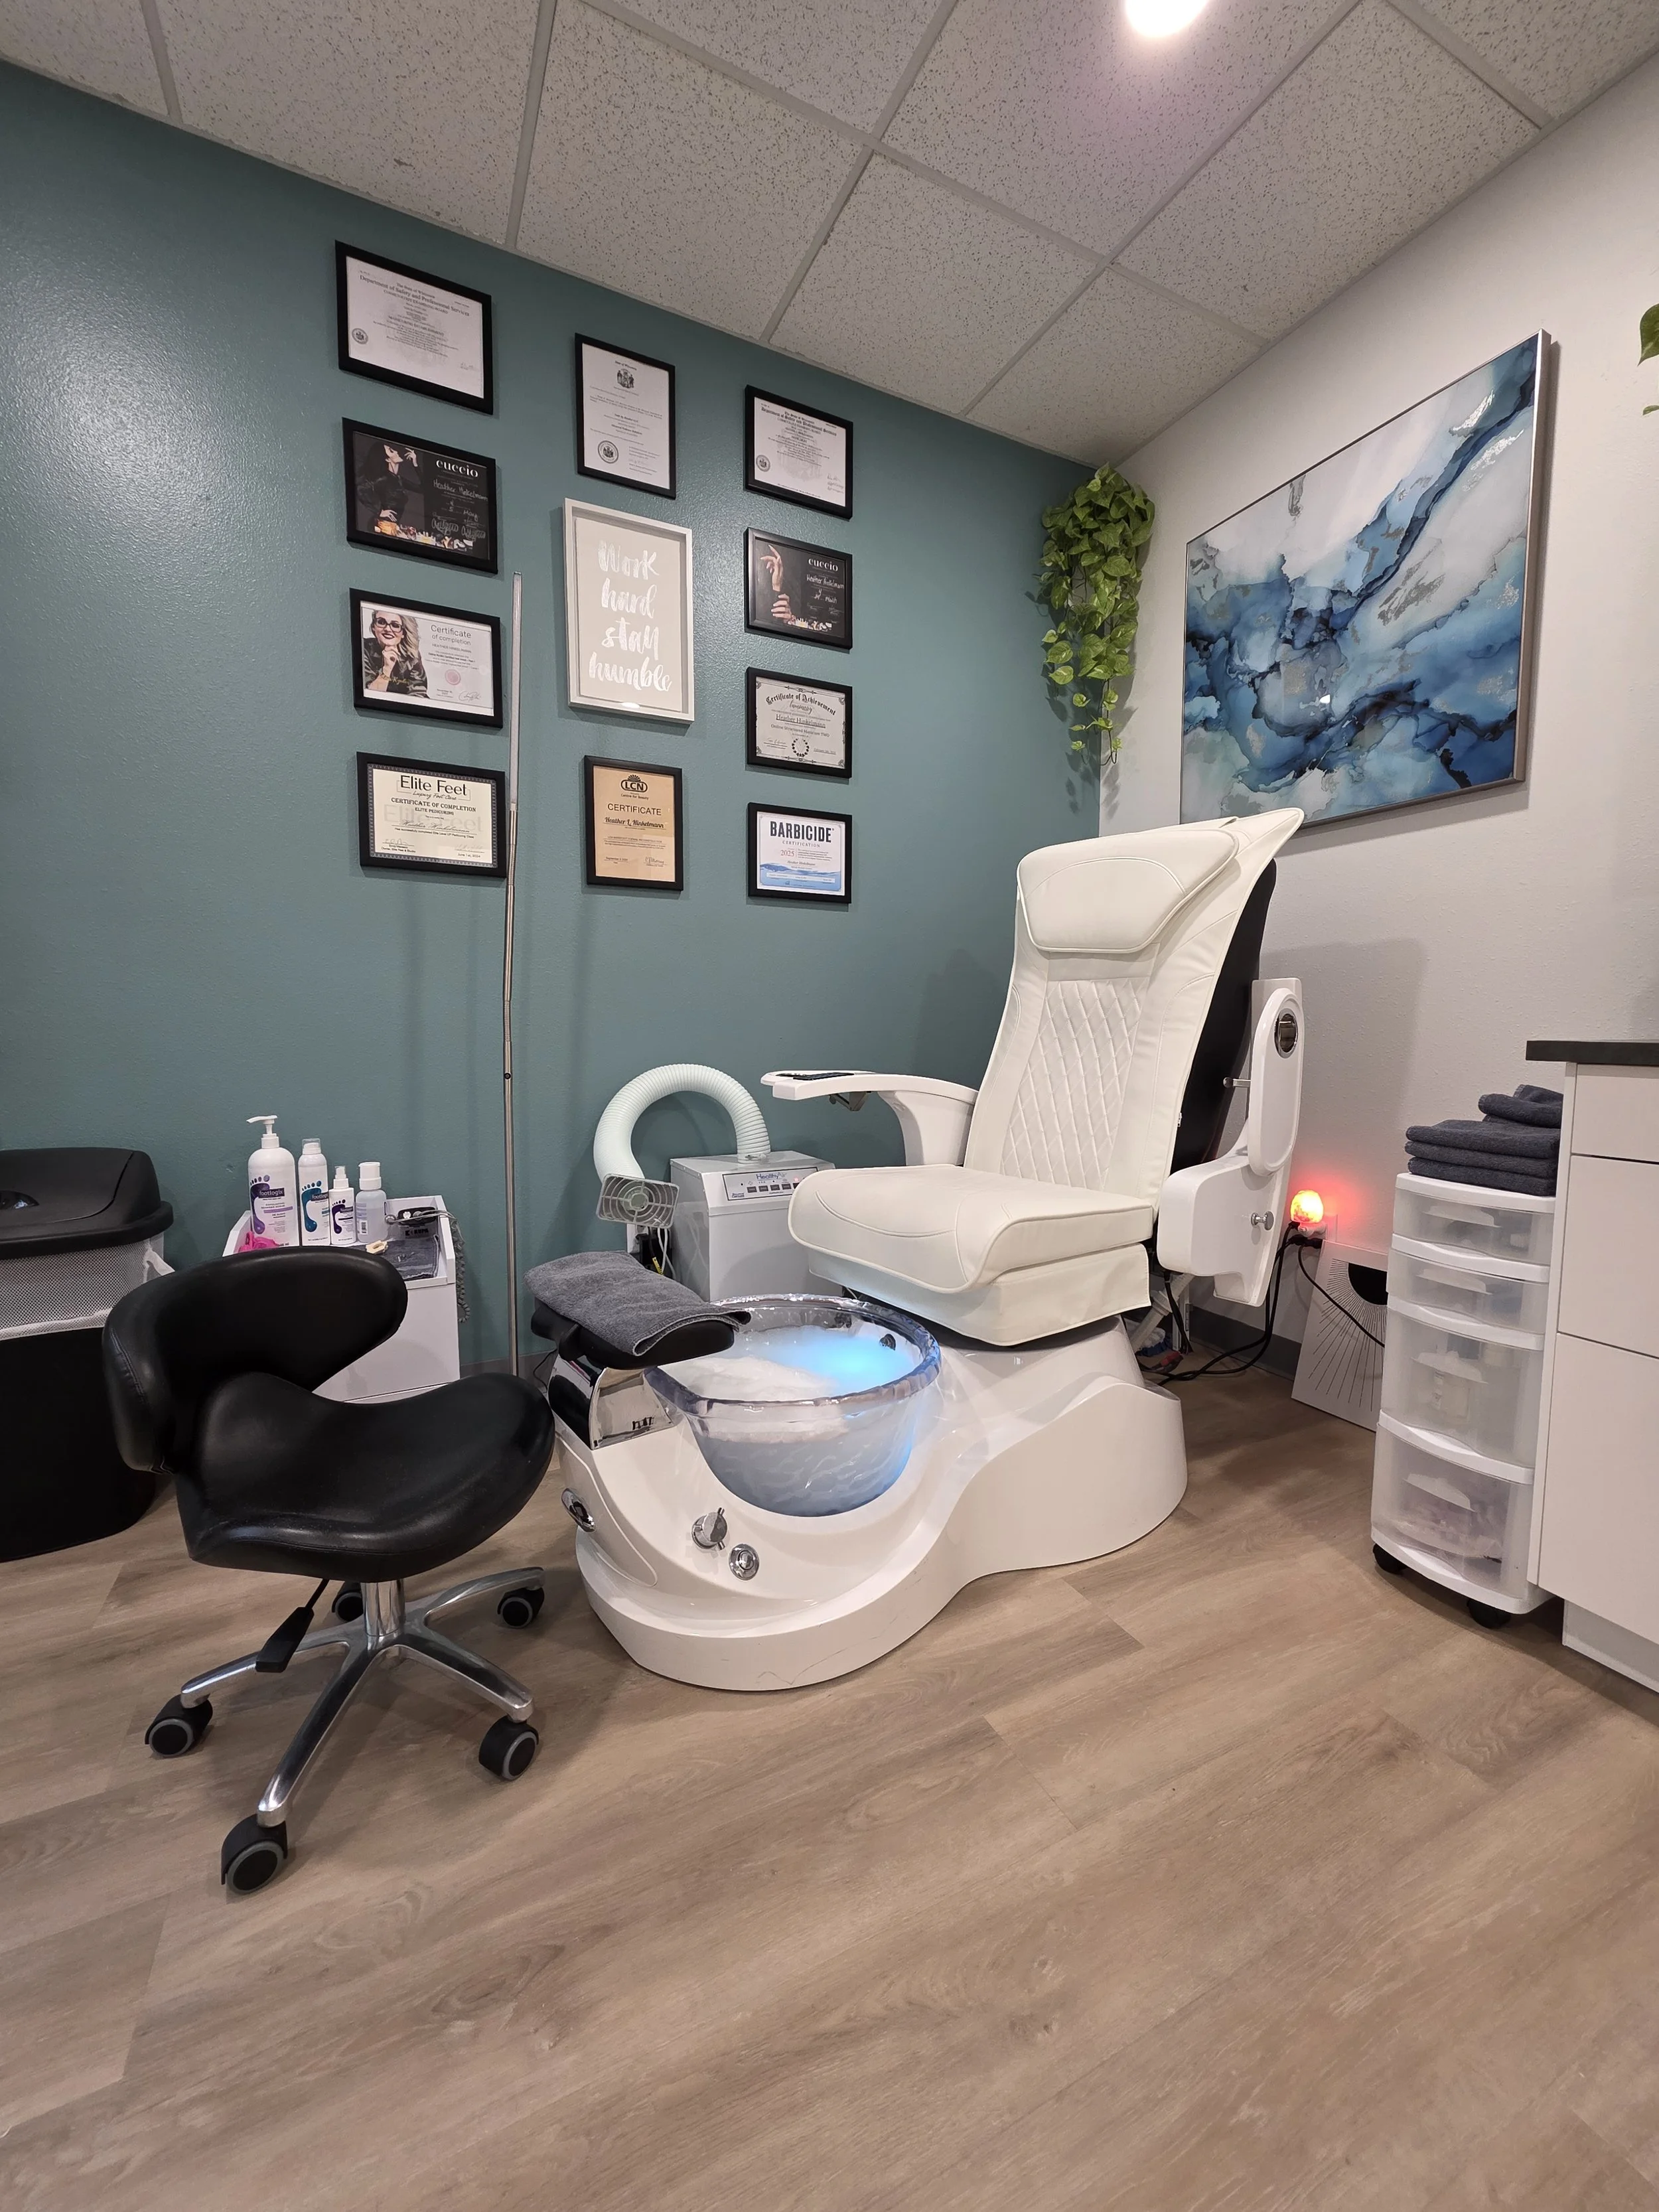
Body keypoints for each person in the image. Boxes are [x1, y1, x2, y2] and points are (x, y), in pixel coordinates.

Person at [356, 440, 423, 538]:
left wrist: (415, 464)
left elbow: (422, 489)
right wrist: (379, 511)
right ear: (387, 459)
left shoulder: (398, 479)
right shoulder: (384, 479)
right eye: (391, 451)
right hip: (384, 527)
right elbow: (361, 489)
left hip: (392, 528)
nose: (396, 452)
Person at [362, 607, 428, 696]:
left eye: (395, 625)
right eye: (381, 622)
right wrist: (387, 669)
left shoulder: (411, 654)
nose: (388, 629)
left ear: (403, 633)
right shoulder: (364, 648)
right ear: (374, 626)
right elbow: (370, 695)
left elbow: (418, 692)